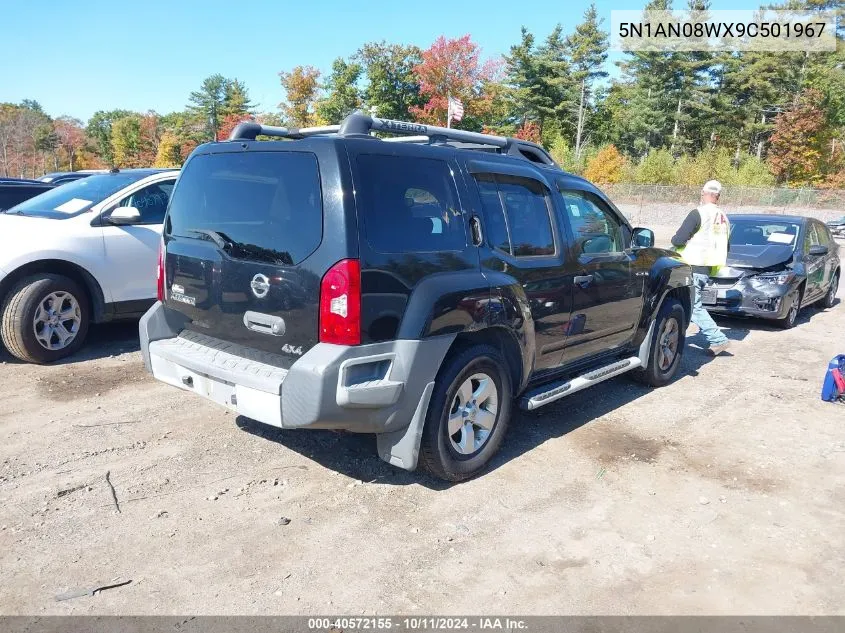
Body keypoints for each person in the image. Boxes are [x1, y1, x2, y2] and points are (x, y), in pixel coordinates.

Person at [671, 180, 731, 356]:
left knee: (694, 306)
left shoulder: (698, 213)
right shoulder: (724, 218)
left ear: (703, 193)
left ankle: (718, 339)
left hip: (693, 265)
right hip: (708, 268)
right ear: (718, 196)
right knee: (693, 305)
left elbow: (678, 240)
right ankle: (678, 336)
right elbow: (727, 246)